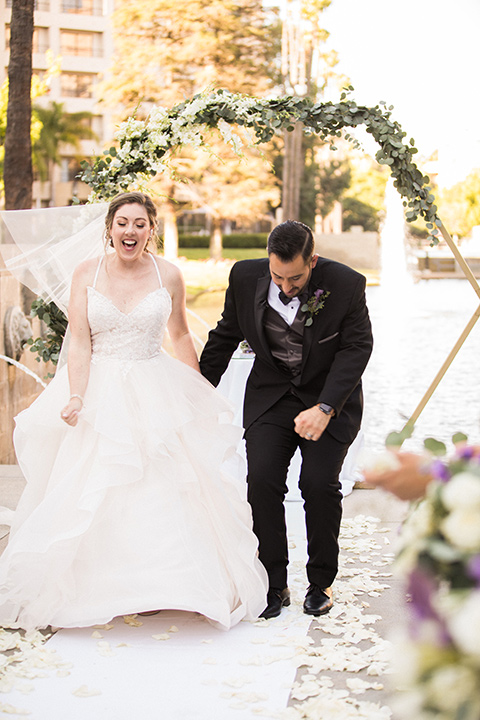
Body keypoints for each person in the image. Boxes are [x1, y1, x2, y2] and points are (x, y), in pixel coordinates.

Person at [0, 192, 267, 631]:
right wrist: (77, 395)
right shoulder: (86, 272)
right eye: (122, 223)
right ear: (109, 228)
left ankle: (172, 584)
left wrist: (197, 388)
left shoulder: (170, 275)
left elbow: (180, 336)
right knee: (95, 485)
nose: (130, 231)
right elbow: (81, 341)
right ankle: (100, 585)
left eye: (139, 224)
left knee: (165, 483)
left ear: (151, 229)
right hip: (99, 389)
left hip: (154, 384)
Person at [200, 220, 373, 619]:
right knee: (261, 481)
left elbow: (356, 348)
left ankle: (320, 582)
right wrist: (197, 392)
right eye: (277, 275)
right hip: (270, 397)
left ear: (312, 260)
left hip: (327, 399)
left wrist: (326, 408)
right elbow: (225, 336)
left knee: (318, 485)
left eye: (295, 278)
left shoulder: (346, 284)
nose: (285, 286)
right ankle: (274, 584)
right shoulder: (244, 277)